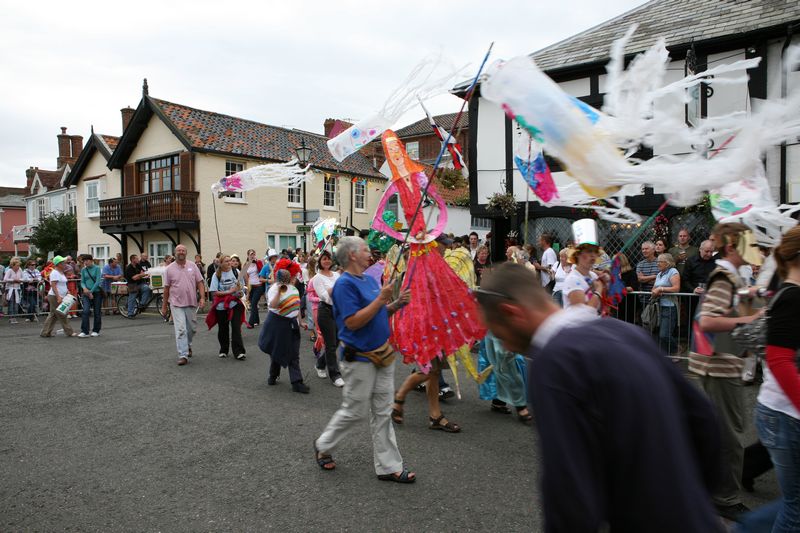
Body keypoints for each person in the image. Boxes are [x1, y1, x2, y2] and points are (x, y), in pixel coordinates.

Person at [475, 262, 724, 532]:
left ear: (511, 313)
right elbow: (704, 421)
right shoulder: (625, 331)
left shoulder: (555, 363)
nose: (506, 346)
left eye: (500, 335)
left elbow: (569, 493)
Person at [313, 236, 414, 482]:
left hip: (383, 354)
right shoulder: (344, 285)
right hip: (359, 358)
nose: (371, 253)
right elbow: (353, 322)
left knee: (382, 412)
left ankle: (389, 466)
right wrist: (381, 299)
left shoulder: (369, 279)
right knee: (355, 411)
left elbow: (377, 311)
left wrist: (396, 303)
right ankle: (324, 444)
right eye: (366, 249)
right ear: (352, 255)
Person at [691, 223, 763, 522]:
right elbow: (708, 321)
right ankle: (725, 498)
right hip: (718, 367)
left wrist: (750, 299)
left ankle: (708, 490)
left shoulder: (729, 276)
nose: (755, 248)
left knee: (721, 431)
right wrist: (752, 317)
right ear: (732, 246)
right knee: (729, 435)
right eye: (749, 242)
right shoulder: (723, 277)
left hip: (720, 364)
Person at [736, 225, 800, 532]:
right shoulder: (792, 296)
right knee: (796, 507)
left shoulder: (787, 293)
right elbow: (779, 359)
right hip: (784, 414)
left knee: (794, 501)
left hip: (781, 411)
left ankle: (747, 528)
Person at [391, 235, 463, 432]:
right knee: (428, 370)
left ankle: (435, 415)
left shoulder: (432, 269)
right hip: (423, 329)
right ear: (433, 246)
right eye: (443, 245)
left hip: (435, 327)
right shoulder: (417, 272)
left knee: (434, 372)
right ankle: (399, 398)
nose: (446, 249)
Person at [258, 262, 309, 393]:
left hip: (292, 324)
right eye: (293, 275)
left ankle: (296, 382)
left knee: (293, 353)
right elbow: (273, 306)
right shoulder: (274, 288)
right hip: (277, 324)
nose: (295, 277)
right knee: (277, 351)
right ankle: (273, 374)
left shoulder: (294, 289)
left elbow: (296, 306)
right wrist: (280, 292)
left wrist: (301, 321)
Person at [161, 245, 206, 366]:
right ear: (174, 253)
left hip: (191, 302)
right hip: (176, 303)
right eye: (179, 250)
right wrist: (164, 306)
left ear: (186, 253)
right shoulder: (169, 269)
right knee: (181, 329)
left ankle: (188, 345)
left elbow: (200, 283)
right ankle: (183, 355)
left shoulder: (193, 266)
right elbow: (166, 289)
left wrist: (202, 297)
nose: (181, 252)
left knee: (192, 329)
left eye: (183, 250)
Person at [310, 250, 344, 387]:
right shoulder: (317, 278)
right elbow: (324, 296)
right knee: (330, 345)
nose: (327, 261)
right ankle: (335, 374)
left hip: (338, 311)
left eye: (329, 259)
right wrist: (337, 285)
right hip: (325, 311)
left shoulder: (336, 274)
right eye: (324, 259)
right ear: (320, 261)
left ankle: (320, 364)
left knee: (336, 342)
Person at [206, 254, 246, 360]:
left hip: (235, 303)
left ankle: (238, 352)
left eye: (230, 261)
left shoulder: (236, 272)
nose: (229, 263)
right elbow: (214, 292)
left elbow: (241, 286)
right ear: (221, 263)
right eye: (226, 261)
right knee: (223, 328)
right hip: (221, 305)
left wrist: (240, 292)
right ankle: (224, 349)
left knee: (236, 327)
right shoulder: (216, 275)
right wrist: (229, 291)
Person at [40, 256, 77, 337]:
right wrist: (58, 297)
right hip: (55, 296)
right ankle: (69, 332)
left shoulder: (60, 272)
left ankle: (45, 332)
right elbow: (53, 286)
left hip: (59, 295)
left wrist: (67, 291)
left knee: (53, 315)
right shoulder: (55, 273)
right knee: (62, 313)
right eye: (63, 262)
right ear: (58, 264)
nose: (64, 263)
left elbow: (62, 284)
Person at [651, 253, 681, 356]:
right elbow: (653, 289)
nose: (657, 263)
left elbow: (676, 288)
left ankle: (676, 349)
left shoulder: (673, 271)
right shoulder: (660, 274)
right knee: (659, 334)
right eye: (657, 261)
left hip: (670, 306)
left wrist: (661, 289)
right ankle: (665, 356)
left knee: (664, 334)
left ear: (667, 263)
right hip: (659, 307)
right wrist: (656, 290)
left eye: (660, 261)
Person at [78, 254, 103, 337]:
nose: (85, 262)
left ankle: (96, 330)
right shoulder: (83, 270)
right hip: (86, 293)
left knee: (97, 312)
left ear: (91, 260)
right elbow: (82, 282)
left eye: (87, 260)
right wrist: (85, 289)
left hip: (96, 292)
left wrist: (91, 291)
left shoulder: (97, 268)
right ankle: (84, 331)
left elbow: (98, 281)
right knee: (85, 311)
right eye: (84, 261)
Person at [242, 249, 265, 328]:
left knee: (254, 303)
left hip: (258, 286)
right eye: (251, 254)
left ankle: (251, 323)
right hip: (250, 287)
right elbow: (242, 275)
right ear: (248, 255)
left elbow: (262, 271)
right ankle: (257, 320)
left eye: (253, 254)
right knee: (253, 304)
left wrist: (257, 262)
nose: (252, 256)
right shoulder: (246, 264)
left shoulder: (258, 263)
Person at [3, 257, 23, 324]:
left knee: (16, 303)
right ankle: (11, 317)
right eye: (17, 265)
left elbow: (23, 278)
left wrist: (20, 280)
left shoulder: (20, 270)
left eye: (19, 265)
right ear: (13, 265)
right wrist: (13, 280)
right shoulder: (9, 271)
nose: (18, 267)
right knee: (11, 303)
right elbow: (5, 279)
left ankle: (15, 317)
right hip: (10, 289)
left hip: (17, 289)